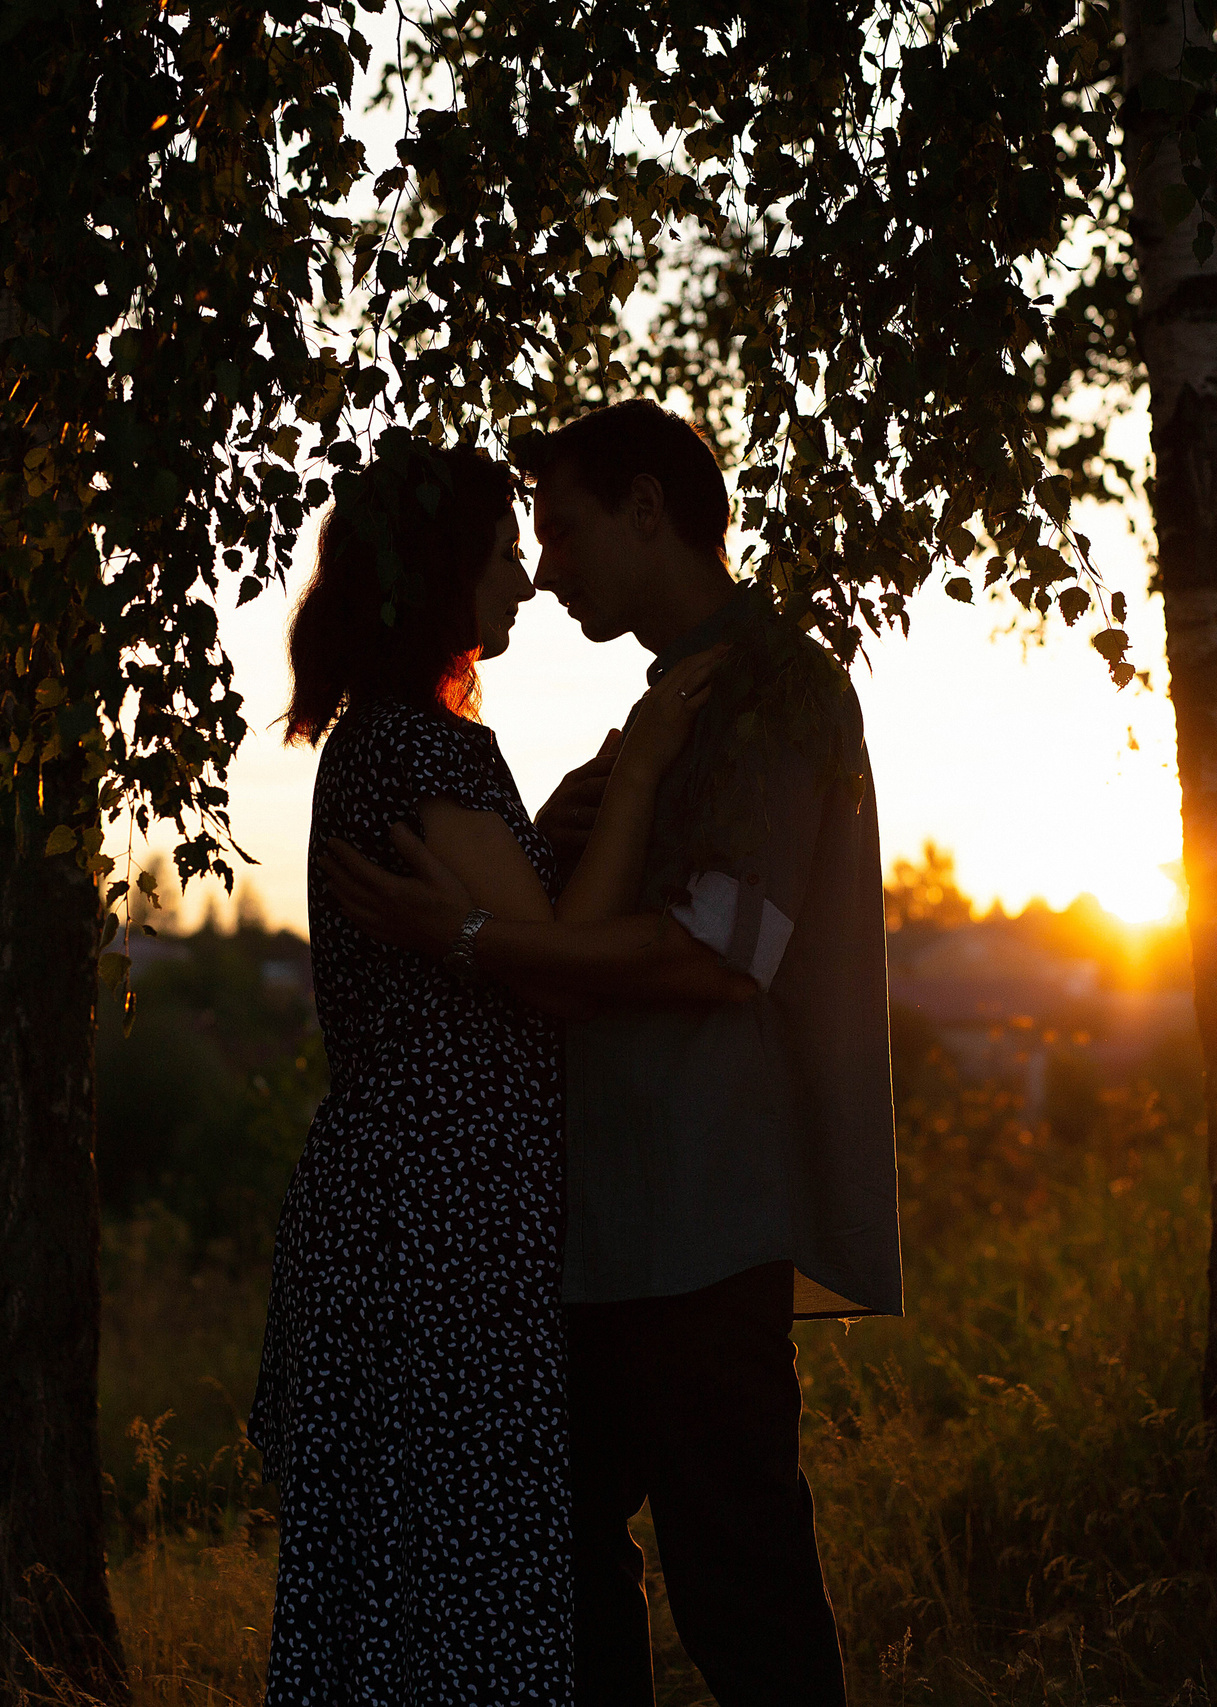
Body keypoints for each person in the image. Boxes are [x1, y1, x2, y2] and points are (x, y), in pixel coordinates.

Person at [323, 399, 904, 1707]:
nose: (549, 565)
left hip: (701, 1222)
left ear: (651, 508)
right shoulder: (662, 707)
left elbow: (716, 953)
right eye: (535, 535)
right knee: (572, 1586)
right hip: (593, 1230)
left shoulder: (776, 688)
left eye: (567, 527)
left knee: (740, 1584)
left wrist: (469, 931)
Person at [250, 438, 729, 1705]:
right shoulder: (426, 750)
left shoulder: (389, 742)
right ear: (441, 577)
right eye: (503, 556)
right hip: (447, 1221)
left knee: (402, 1580)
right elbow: (560, 964)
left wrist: (572, 801)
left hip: (408, 1205)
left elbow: (508, 909)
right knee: (467, 1579)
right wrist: (642, 766)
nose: (523, 582)